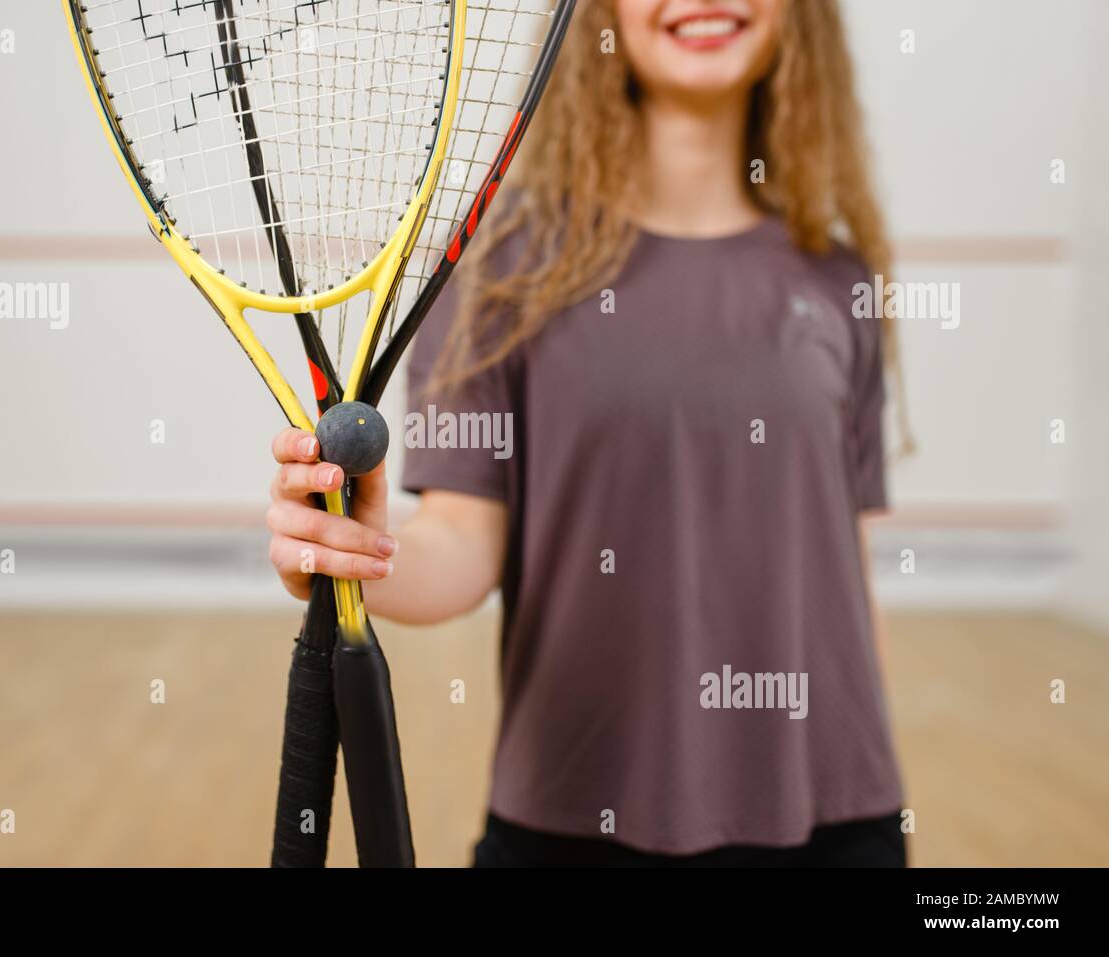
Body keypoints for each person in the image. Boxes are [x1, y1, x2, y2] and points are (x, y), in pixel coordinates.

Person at [265, 0, 911, 866]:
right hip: (571, 820)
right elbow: (460, 541)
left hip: (835, 822)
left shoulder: (840, 279)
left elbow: (850, 581)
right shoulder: (501, 268)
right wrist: (356, 551)